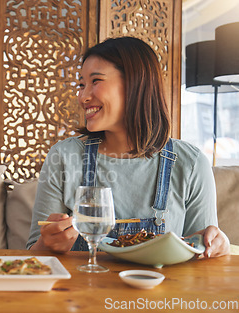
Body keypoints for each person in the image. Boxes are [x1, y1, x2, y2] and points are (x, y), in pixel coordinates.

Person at [27, 36, 230, 258]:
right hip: (79, 291)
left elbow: (203, 256)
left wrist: (219, 247)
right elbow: (32, 254)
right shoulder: (64, 157)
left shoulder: (191, 164)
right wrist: (48, 244)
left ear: (136, 84)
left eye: (96, 81)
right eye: (81, 85)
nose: (83, 96)